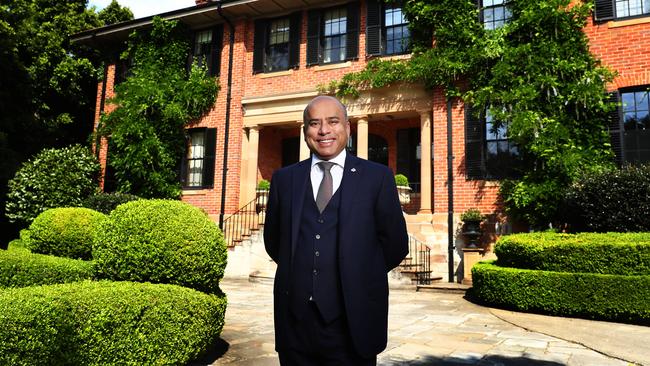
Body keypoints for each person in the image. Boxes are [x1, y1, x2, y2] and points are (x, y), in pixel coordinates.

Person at [264, 95, 409, 365]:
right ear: (305, 130)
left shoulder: (377, 178)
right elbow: (274, 241)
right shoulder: (285, 179)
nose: (324, 131)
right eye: (314, 123)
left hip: (353, 324)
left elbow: (396, 244)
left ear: (348, 128)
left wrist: (359, 276)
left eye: (333, 121)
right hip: (295, 324)